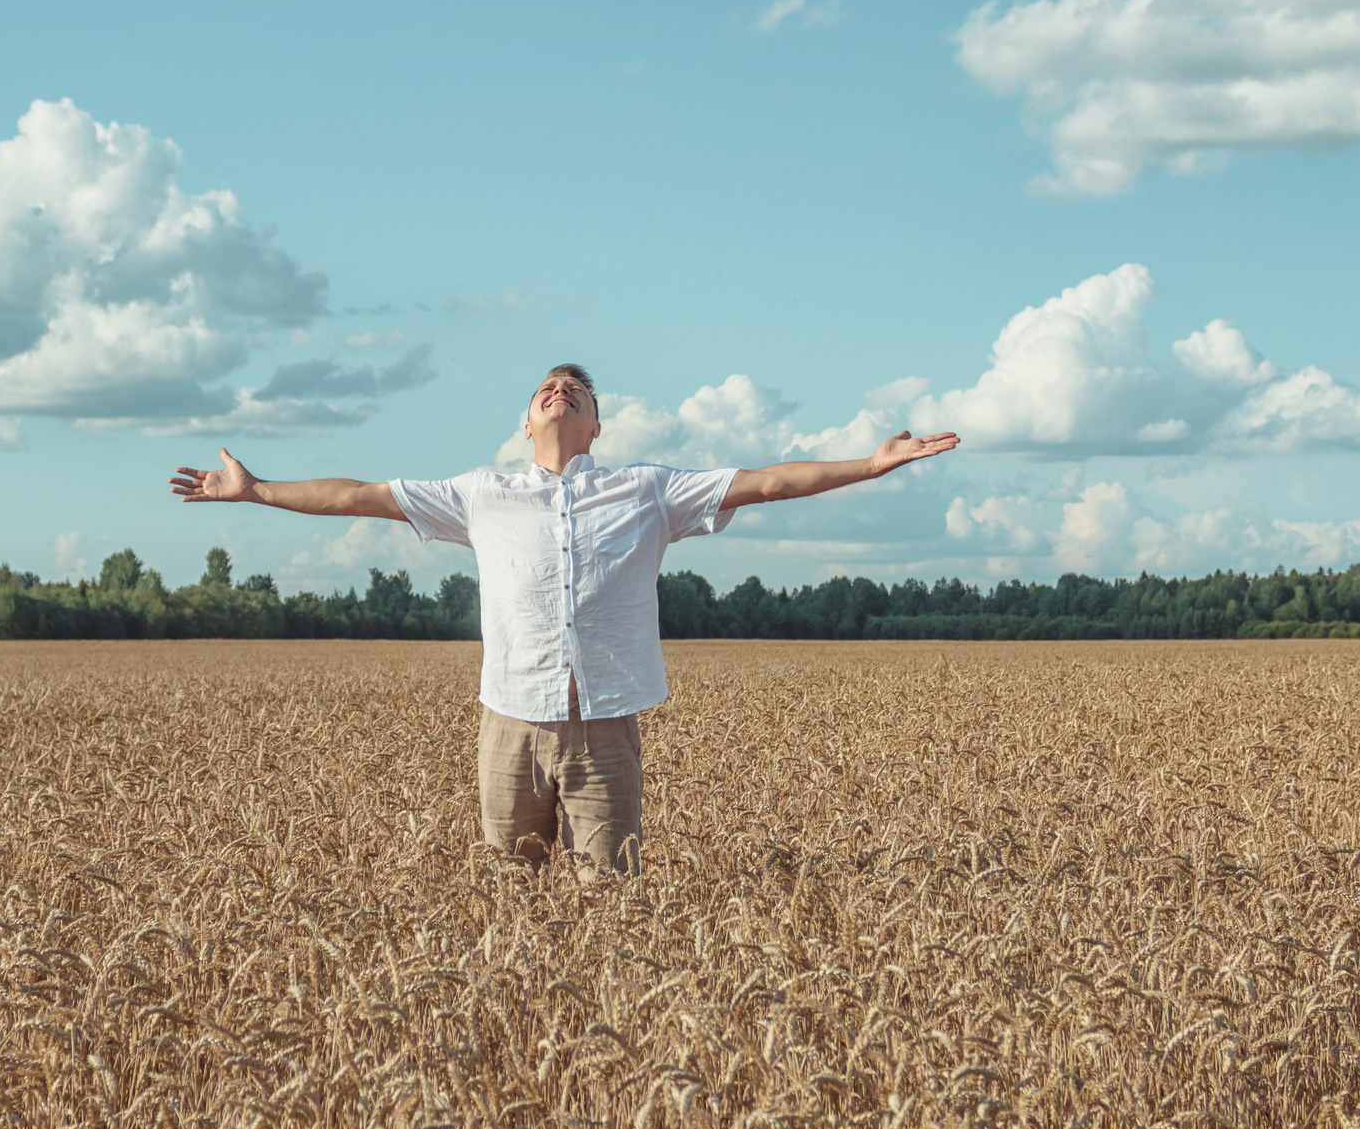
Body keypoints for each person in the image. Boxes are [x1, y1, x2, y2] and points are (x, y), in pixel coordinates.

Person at [169, 363, 958, 877]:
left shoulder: (647, 489)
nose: (560, 387)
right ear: (525, 422)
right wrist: (256, 487)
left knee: (609, 912)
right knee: (511, 902)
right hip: (509, 724)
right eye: (546, 385)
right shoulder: (480, 492)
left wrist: (872, 462)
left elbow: (770, 481)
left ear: (595, 425)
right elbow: (359, 496)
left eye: (576, 388)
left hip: (606, 726)